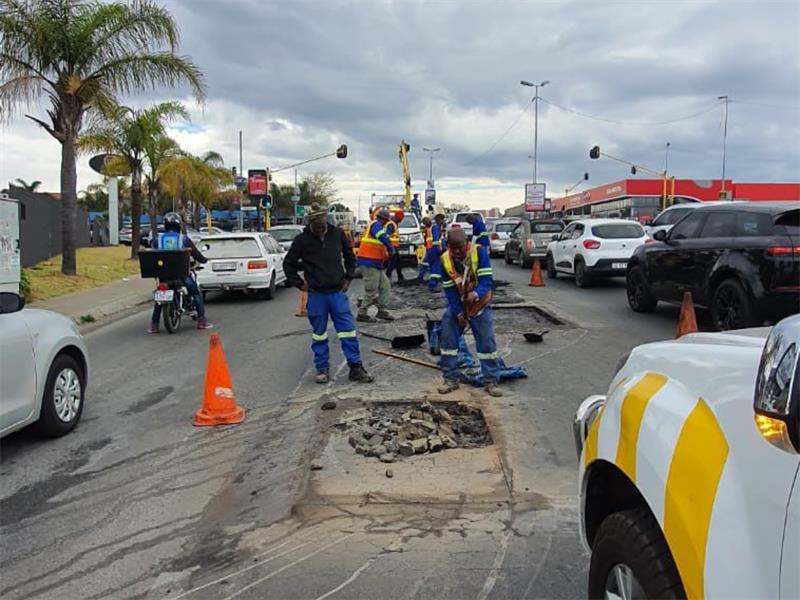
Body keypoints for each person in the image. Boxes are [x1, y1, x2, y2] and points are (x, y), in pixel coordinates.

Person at [283, 205, 373, 384]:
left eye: (322, 227)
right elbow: (288, 264)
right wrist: (300, 285)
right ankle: (322, 369)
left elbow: (349, 257)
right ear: (311, 224)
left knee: (348, 332)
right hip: (317, 295)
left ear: (326, 221)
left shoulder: (337, 234)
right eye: (316, 228)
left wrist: (348, 278)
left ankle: (355, 368)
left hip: (337, 293)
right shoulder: (302, 240)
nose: (320, 231)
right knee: (319, 334)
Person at [437, 228, 503, 397]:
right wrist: (459, 312)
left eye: (460, 247)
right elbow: (450, 290)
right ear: (448, 246)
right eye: (453, 248)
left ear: (466, 243)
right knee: (447, 333)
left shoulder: (478, 252)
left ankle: (491, 381)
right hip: (460, 303)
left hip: (479, 303)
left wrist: (476, 294)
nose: (457, 252)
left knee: (486, 342)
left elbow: (487, 281)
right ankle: (450, 379)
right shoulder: (445, 260)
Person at [148, 212, 212, 333]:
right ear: (179, 225)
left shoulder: (157, 240)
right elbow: (196, 254)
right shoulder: (183, 239)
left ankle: (154, 325)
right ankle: (201, 321)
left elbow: (153, 255)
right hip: (181, 275)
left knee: (159, 299)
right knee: (196, 294)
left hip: (163, 276)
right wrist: (204, 260)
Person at [356, 208, 395, 322]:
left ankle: (381, 311)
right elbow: (382, 237)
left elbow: (379, 245)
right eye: (386, 221)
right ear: (384, 219)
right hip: (368, 262)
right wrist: (390, 248)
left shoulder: (378, 226)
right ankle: (362, 313)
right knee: (371, 289)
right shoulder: (375, 225)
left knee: (385, 286)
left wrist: (386, 254)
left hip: (376, 263)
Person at [384, 210, 406, 284]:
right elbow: (387, 236)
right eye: (400, 219)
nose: (401, 221)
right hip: (392, 247)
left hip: (394, 246)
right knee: (392, 263)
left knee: (398, 262)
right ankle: (386, 278)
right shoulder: (391, 224)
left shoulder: (394, 223)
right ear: (398, 217)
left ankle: (400, 277)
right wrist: (390, 247)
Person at [427, 213, 447, 292]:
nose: (444, 221)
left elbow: (440, 240)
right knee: (436, 268)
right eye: (443, 220)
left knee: (435, 268)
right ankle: (432, 285)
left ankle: (435, 282)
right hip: (434, 250)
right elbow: (436, 240)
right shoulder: (435, 228)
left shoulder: (437, 227)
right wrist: (439, 250)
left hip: (432, 250)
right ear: (440, 220)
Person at [417, 216, 434, 283]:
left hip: (430, 249)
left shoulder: (428, 230)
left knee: (425, 263)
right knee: (431, 264)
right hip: (431, 248)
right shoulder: (429, 229)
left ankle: (420, 277)